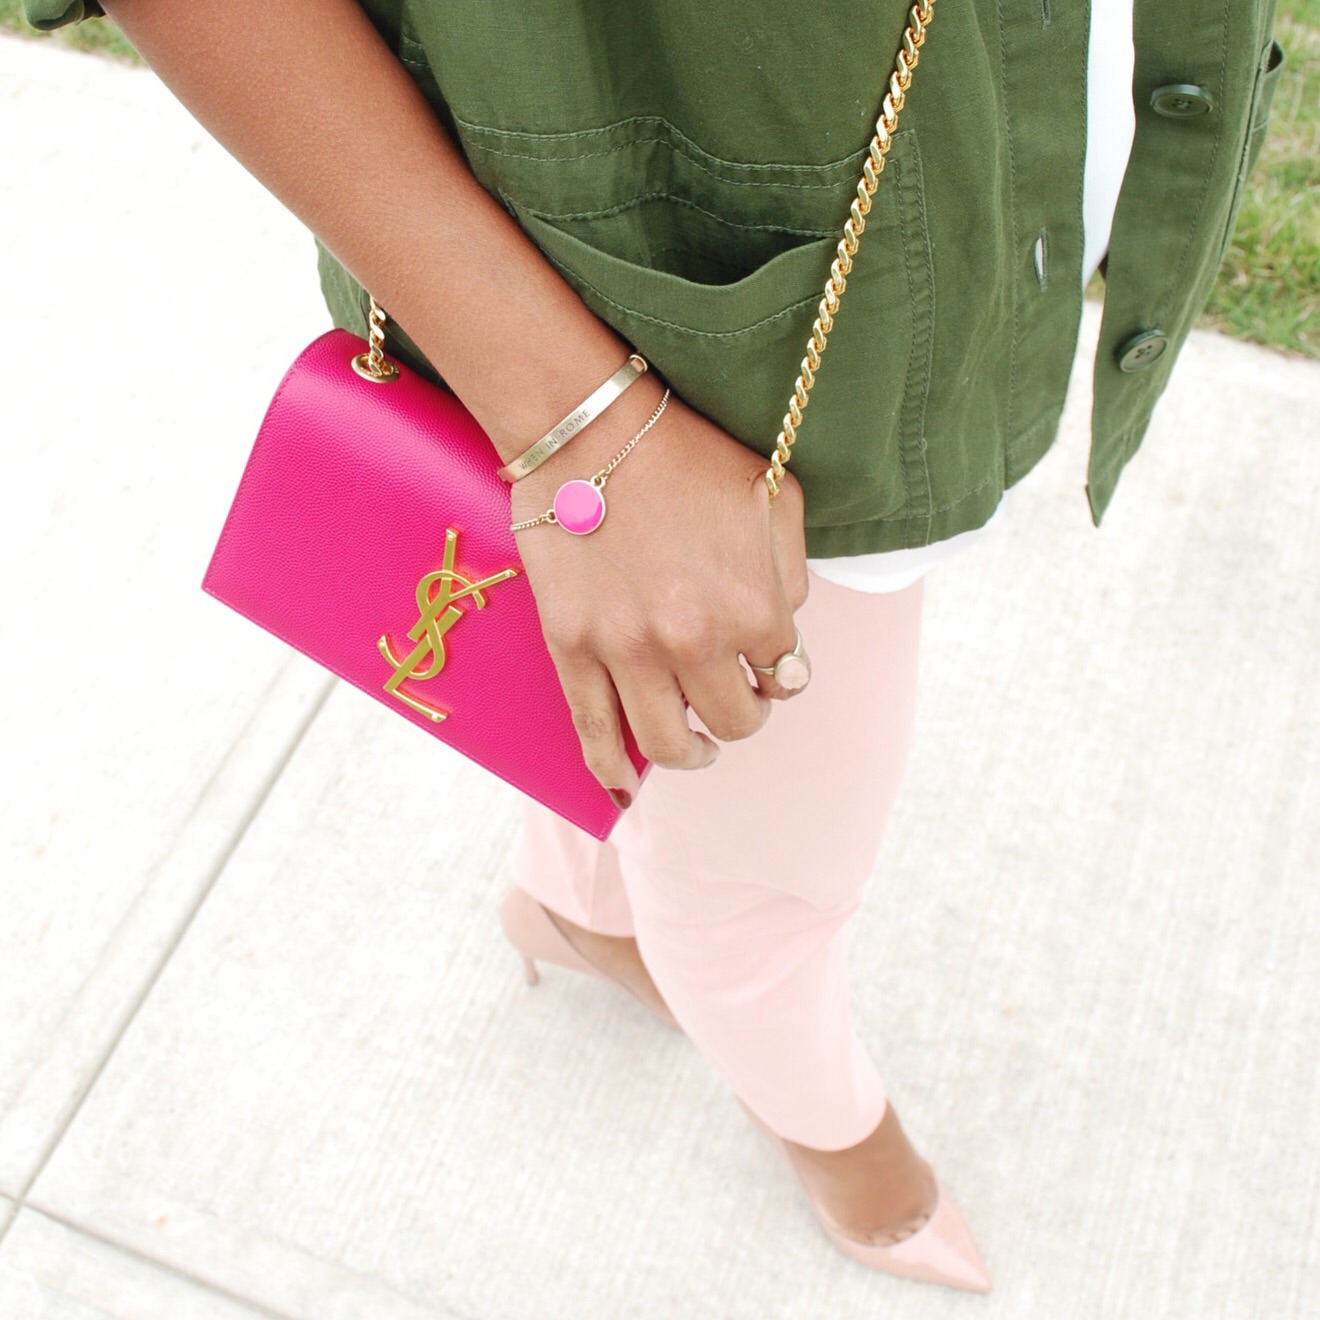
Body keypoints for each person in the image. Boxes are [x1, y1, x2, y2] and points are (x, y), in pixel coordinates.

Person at [26, 0, 1283, 1294]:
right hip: (719, 348)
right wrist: (581, 429)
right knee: (765, 897)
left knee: (636, 720)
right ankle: (835, 1136)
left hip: (938, 192)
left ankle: (572, 902)